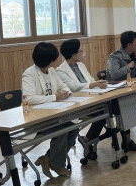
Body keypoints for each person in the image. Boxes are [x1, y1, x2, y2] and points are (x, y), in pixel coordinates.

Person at [22, 42, 78, 178]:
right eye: (53, 59)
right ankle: (58, 164)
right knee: (62, 131)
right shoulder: (29, 74)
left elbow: (64, 86)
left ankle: (48, 158)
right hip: (36, 118)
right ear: (46, 60)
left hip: (52, 115)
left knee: (73, 128)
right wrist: (54, 97)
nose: (55, 62)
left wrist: (65, 92)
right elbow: (28, 98)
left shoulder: (52, 71)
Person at [56, 39, 108, 145]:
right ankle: (88, 139)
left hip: (92, 98)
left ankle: (88, 139)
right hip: (78, 104)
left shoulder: (81, 65)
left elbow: (91, 80)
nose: (83, 53)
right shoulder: (60, 70)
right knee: (104, 111)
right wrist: (94, 84)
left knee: (111, 107)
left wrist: (98, 83)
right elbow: (73, 87)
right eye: (81, 51)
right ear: (74, 55)